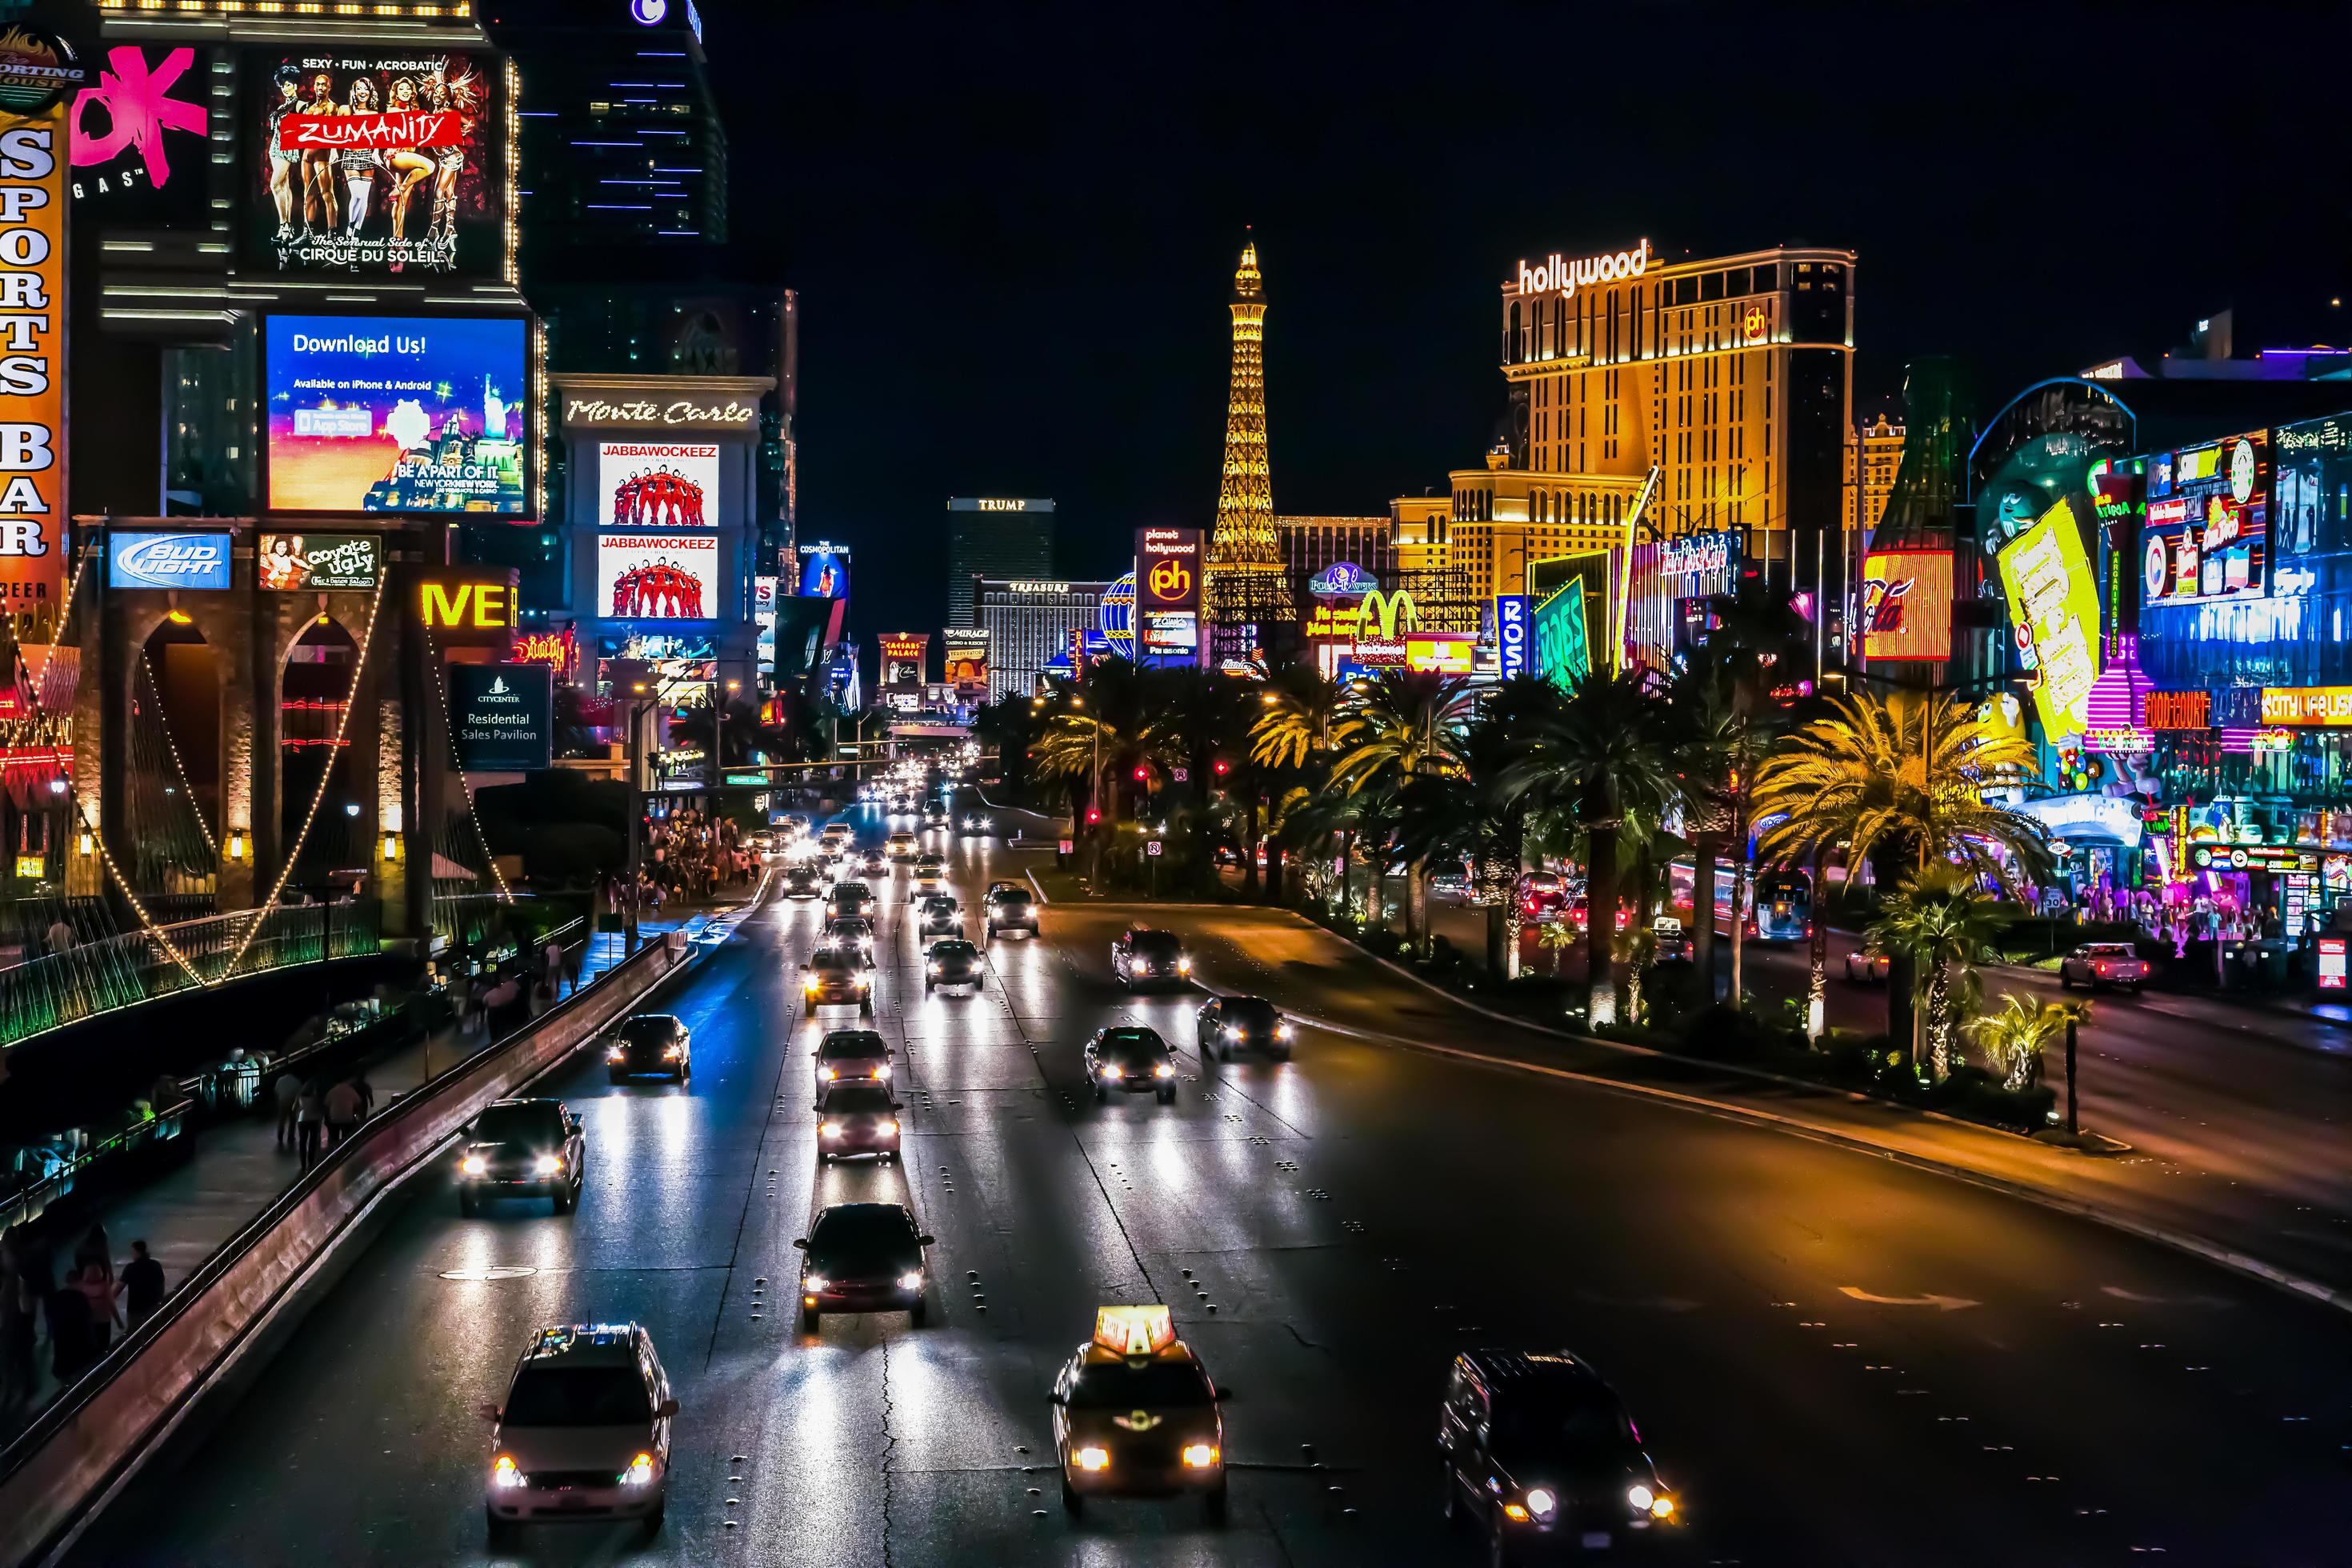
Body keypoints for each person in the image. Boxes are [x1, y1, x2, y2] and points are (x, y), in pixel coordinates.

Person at [1, 1232, 35, 1410]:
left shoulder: (13, 1278)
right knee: (21, 1357)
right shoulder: (20, 1270)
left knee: (10, 1358)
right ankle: (21, 1388)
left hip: (11, 1324)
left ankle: (11, 1390)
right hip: (18, 1323)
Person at [44, 1272, 90, 1383]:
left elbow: (49, 1317)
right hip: (77, 1342)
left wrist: (53, 1334)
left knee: (63, 1372)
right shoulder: (81, 1298)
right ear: (78, 1282)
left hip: (61, 1341)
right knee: (79, 1375)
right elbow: (87, 1322)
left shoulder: (55, 1297)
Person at [74, 1262, 122, 1358]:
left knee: (89, 1347)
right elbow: (111, 1305)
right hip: (104, 1321)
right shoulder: (104, 1286)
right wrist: (118, 1321)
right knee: (103, 1347)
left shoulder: (81, 1287)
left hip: (88, 1322)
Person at [121, 1240, 165, 1330]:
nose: (132, 1255)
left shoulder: (130, 1268)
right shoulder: (156, 1265)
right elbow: (162, 1286)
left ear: (136, 1252)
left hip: (135, 1311)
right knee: (152, 1333)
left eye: (132, 1252)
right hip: (153, 1309)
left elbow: (118, 1288)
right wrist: (159, 1303)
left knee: (134, 1336)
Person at [295, 1078, 326, 1170]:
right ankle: (311, 1161)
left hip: (302, 1120)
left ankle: (303, 1163)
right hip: (313, 1120)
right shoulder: (315, 1097)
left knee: (302, 1142)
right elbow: (319, 1108)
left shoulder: (300, 1097)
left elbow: (295, 1109)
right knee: (312, 1142)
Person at [324, 1077, 362, 1149]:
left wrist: (327, 1119)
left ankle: (334, 1153)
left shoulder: (332, 1091)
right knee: (346, 1139)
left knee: (334, 1139)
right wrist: (356, 1114)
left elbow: (326, 1106)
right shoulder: (351, 1090)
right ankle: (345, 1152)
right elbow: (358, 1103)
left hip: (334, 1119)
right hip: (348, 1119)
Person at [274, 1067, 302, 1150]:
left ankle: (280, 1135)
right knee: (292, 1120)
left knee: (282, 1119)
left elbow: (276, 1090)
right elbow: (299, 1092)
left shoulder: (280, 1080)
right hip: (293, 1101)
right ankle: (290, 1136)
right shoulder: (296, 1081)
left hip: (282, 1101)